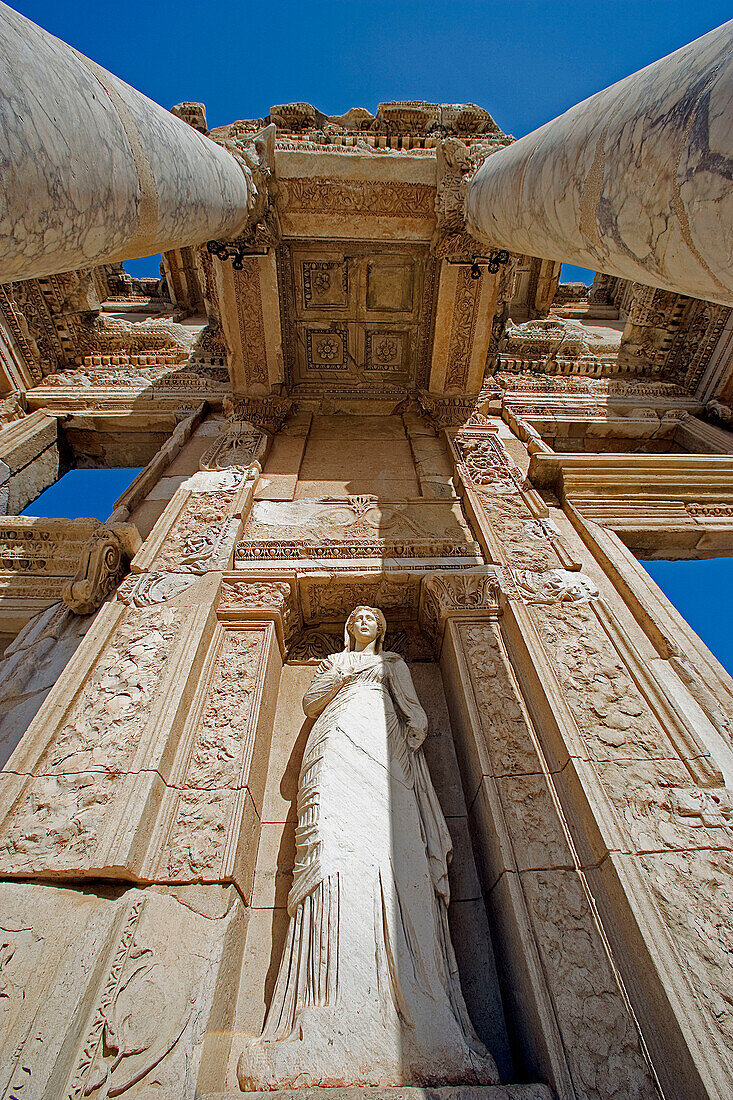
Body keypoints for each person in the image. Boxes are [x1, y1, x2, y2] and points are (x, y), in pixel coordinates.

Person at [238, 605, 499, 1090]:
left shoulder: (393, 664)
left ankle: (418, 1010)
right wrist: (340, 672)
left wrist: (411, 729)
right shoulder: (336, 663)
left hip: (383, 751)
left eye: (370, 618)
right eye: (355, 616)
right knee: (329, 852)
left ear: (380, 629)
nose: (362, 620)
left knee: (389, 849)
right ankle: (321, 1002)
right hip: (333, 744)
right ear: (347, 627)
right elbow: (311, 703)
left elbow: (415, 714)